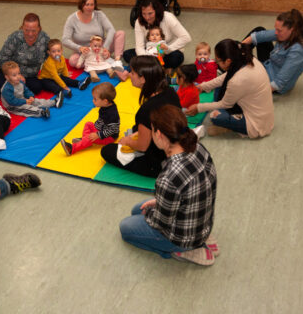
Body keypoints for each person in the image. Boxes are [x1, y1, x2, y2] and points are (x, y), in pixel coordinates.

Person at [119, 104, 218, 266]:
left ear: (158, 134)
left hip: (183, 237)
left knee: (126, 228)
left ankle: (182, 250)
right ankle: (203, 238)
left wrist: (152, 212)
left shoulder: (169, 176)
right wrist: (159, 203)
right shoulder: (198, 147)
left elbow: (160, 223)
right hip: (203, 220)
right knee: (137, 210)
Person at [101, 56, 181, 178]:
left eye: (132, 73)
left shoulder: (147, 109)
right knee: (134, 129)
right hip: (175, 147)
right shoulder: (169, 91)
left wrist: (128, 141)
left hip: (159, 162)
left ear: (143, 78)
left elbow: (143, 146)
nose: (128, 75)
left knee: (107, 151)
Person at [185, 39, 274, 138]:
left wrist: (198, 107)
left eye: (218, 60)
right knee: (219, 89)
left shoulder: (237, 80)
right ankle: (231, 123)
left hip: (256, 123)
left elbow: (225, 104)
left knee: (215, 116)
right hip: (262, 111)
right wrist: (203, 86)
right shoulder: (246, 58)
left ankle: (231, 127)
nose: (217, 63)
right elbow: (226, 76)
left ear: (228, 61)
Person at [242, 9, 303, 94]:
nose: (276, 33)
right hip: (271, 64)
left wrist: (255, 92)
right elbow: (259, 36)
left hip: (273, 81)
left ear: (292, 29)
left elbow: (279, 83)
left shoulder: (298, 50)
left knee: (241, 73)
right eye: (276, 29)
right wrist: (239, 47)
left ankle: (234, 65)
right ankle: (234, 57)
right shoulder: (289, 33)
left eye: (279, 30)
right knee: (259, 29)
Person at [62, 0, 128, 80]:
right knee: (73, 61)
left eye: (92, 5)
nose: (89, 7)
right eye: (87, 4)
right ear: (81, 5)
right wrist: (79, 48)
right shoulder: (72, 19)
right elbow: (65, 39)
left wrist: (105, 48)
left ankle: (116, 61)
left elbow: (111, 29)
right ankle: (100, 61)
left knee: (120, 34)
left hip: (101, 46)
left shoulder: (99, 14)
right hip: (85, 51)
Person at [123, 0, 191, 75]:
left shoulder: (168, 17)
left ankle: (148, 68)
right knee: (127, 54)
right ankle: (159, 68)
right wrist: (148, 58)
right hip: (150, 51)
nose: (147, 17)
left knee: (176, 57)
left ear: (157, 10)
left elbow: (186, 37)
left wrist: (168, 49)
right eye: (144, 14)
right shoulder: (139, 22)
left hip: (168, 52)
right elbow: (139, 46)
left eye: (150, 13)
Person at [0, 13, 49, 98]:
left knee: (37, 88)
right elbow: (0, 59)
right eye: (26, 30)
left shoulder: (44, 39)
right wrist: (16, 74)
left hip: (29, 75)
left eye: (33, 31)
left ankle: (16, 92)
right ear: (22, 28)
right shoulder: (14, 38)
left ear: (39, 29)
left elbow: (49, 56)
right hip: (10, 72)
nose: (30, 34)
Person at [60, 82, 120, 155]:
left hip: (108, 137)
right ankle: (85, 141)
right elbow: (101, 121)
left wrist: (98, 135)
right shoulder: (105, 106)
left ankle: (72, 149)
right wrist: (95, 130)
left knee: (90, 137)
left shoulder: (112, 114)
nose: (93, 101)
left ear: (105, 101)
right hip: (101, 130)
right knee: (88, 124)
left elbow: (113, 130)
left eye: (95, 99)